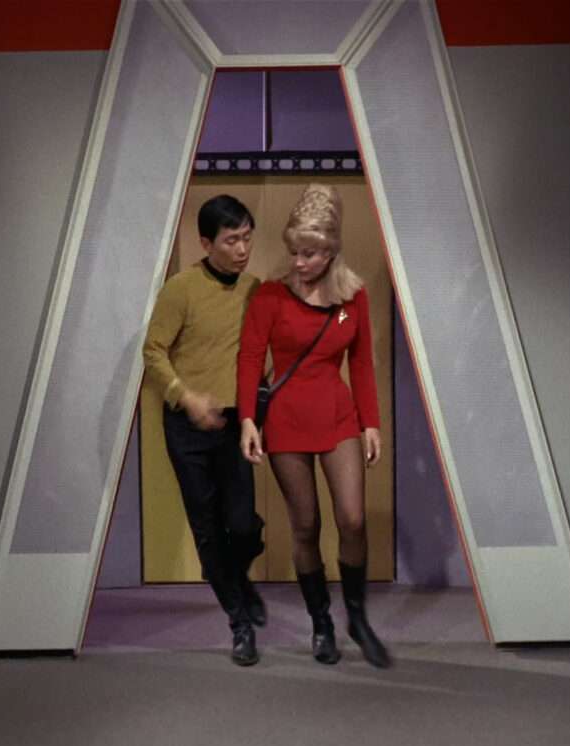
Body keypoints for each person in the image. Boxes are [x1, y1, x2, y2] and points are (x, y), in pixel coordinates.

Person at [237, 183, 390, 668]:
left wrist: (371, 423)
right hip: (286, 422)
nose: (298, 262)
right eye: (294, 252)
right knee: (305, 525)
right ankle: (321, 623)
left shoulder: (353, 297)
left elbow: (361, 364)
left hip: (338, 417)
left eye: (309, 253)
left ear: (330, 251)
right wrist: (247, 419)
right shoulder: (270, 295)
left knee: (353, 519)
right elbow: (250, 358)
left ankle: (357, 618)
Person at [142, 194, 267, 666]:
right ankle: (239, 622)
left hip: (236, 423)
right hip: (188, 425)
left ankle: (237, 577)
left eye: (247, 238)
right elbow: (153, 350)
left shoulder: (255, 289)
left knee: (242, 525)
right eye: (232, 240)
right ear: (206, 243)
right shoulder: (181, 289)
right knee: (208, 530)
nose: (242, 249)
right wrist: (185, 396)